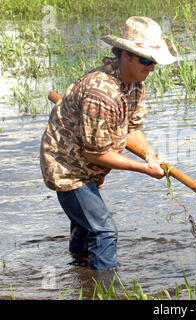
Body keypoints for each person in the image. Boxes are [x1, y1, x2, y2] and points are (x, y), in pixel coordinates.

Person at [40, 16, 179, 270]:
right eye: (145, 60)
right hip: (67, 167)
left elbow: (132, 129)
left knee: (85, 227)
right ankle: (105, 291)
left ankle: (79, 272)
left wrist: (149, 154)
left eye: (154, 62)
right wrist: (144, 170)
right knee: (104, 232)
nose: (150, 67)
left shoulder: (135, 84)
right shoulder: (102, 93)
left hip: (88, 163)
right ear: (125, 55)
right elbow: (97, 155)